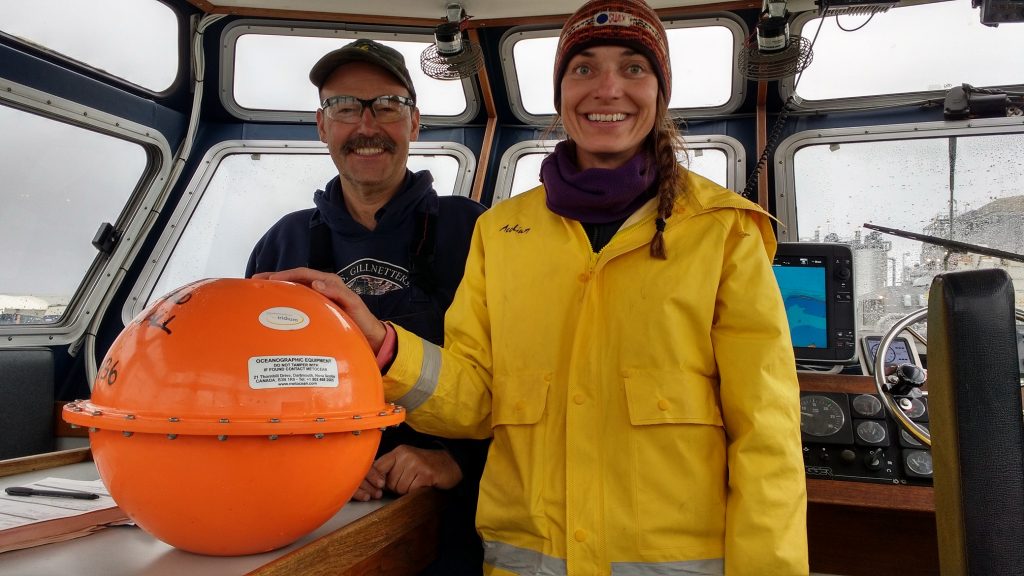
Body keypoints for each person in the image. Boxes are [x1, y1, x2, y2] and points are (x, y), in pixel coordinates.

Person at [257, 1, 809, 573]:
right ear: (561, 92)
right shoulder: (500, 232)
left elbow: (766, 434)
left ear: (660, 93)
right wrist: (383, 344)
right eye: (583, 68)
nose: (607, 88)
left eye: (633, 67)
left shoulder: (723, 230)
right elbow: (476, 399)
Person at [246, 39, 487, 576]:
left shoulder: (475, 232)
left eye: (388, 106)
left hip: (459, 521)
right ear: (321, 125)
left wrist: (454, 462)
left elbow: (521, 383)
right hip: (316, 519)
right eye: (344, 107)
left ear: (415, 123)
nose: (367, 125)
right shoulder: (282, 244)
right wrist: (321, 466)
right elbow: (254, 391)